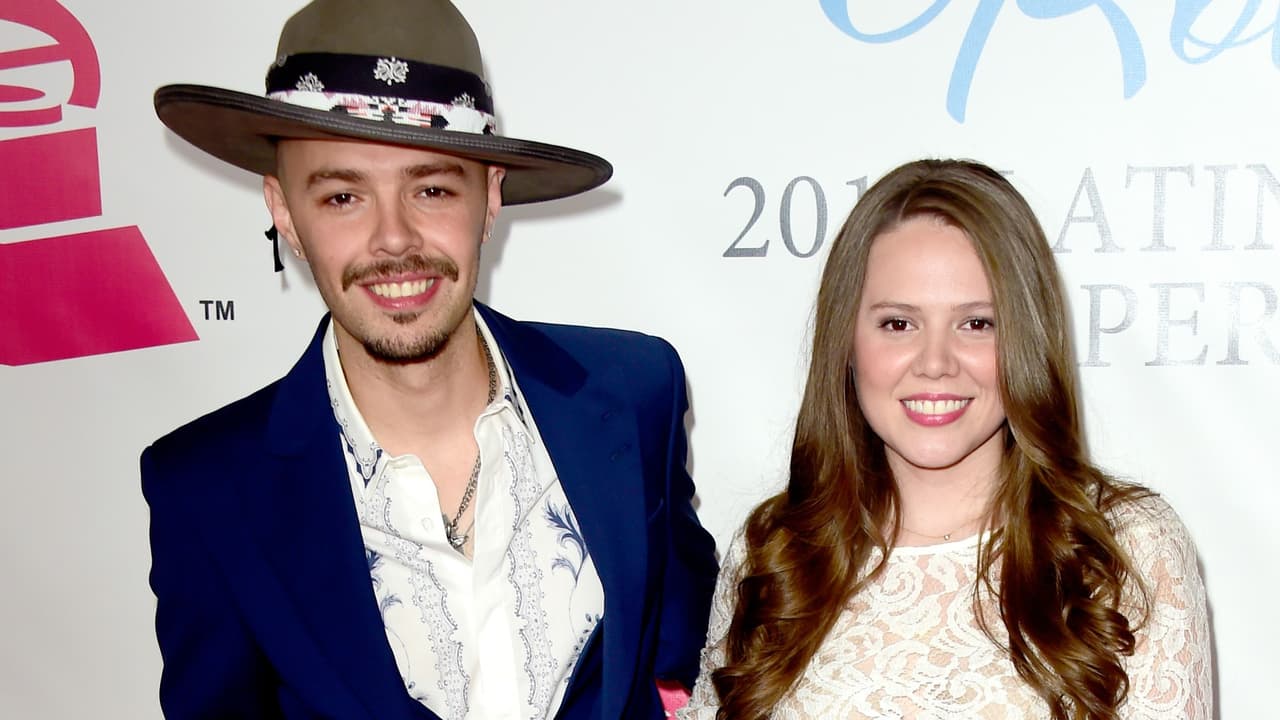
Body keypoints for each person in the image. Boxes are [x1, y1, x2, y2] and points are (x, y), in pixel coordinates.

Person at [140, 1, 718, 718]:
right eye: (343, 196)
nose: (394, 238)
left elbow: (688, 646)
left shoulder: (633, 392)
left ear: (491, 195)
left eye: (433, 189)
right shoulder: (207, 490)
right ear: (284, 211)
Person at [681, 159, 1211, 719]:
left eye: (977, 323)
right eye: (898, 323)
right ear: (847, 343)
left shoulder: (1126, 547)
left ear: (1025, 341)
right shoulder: (776, 552)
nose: (935, 363)